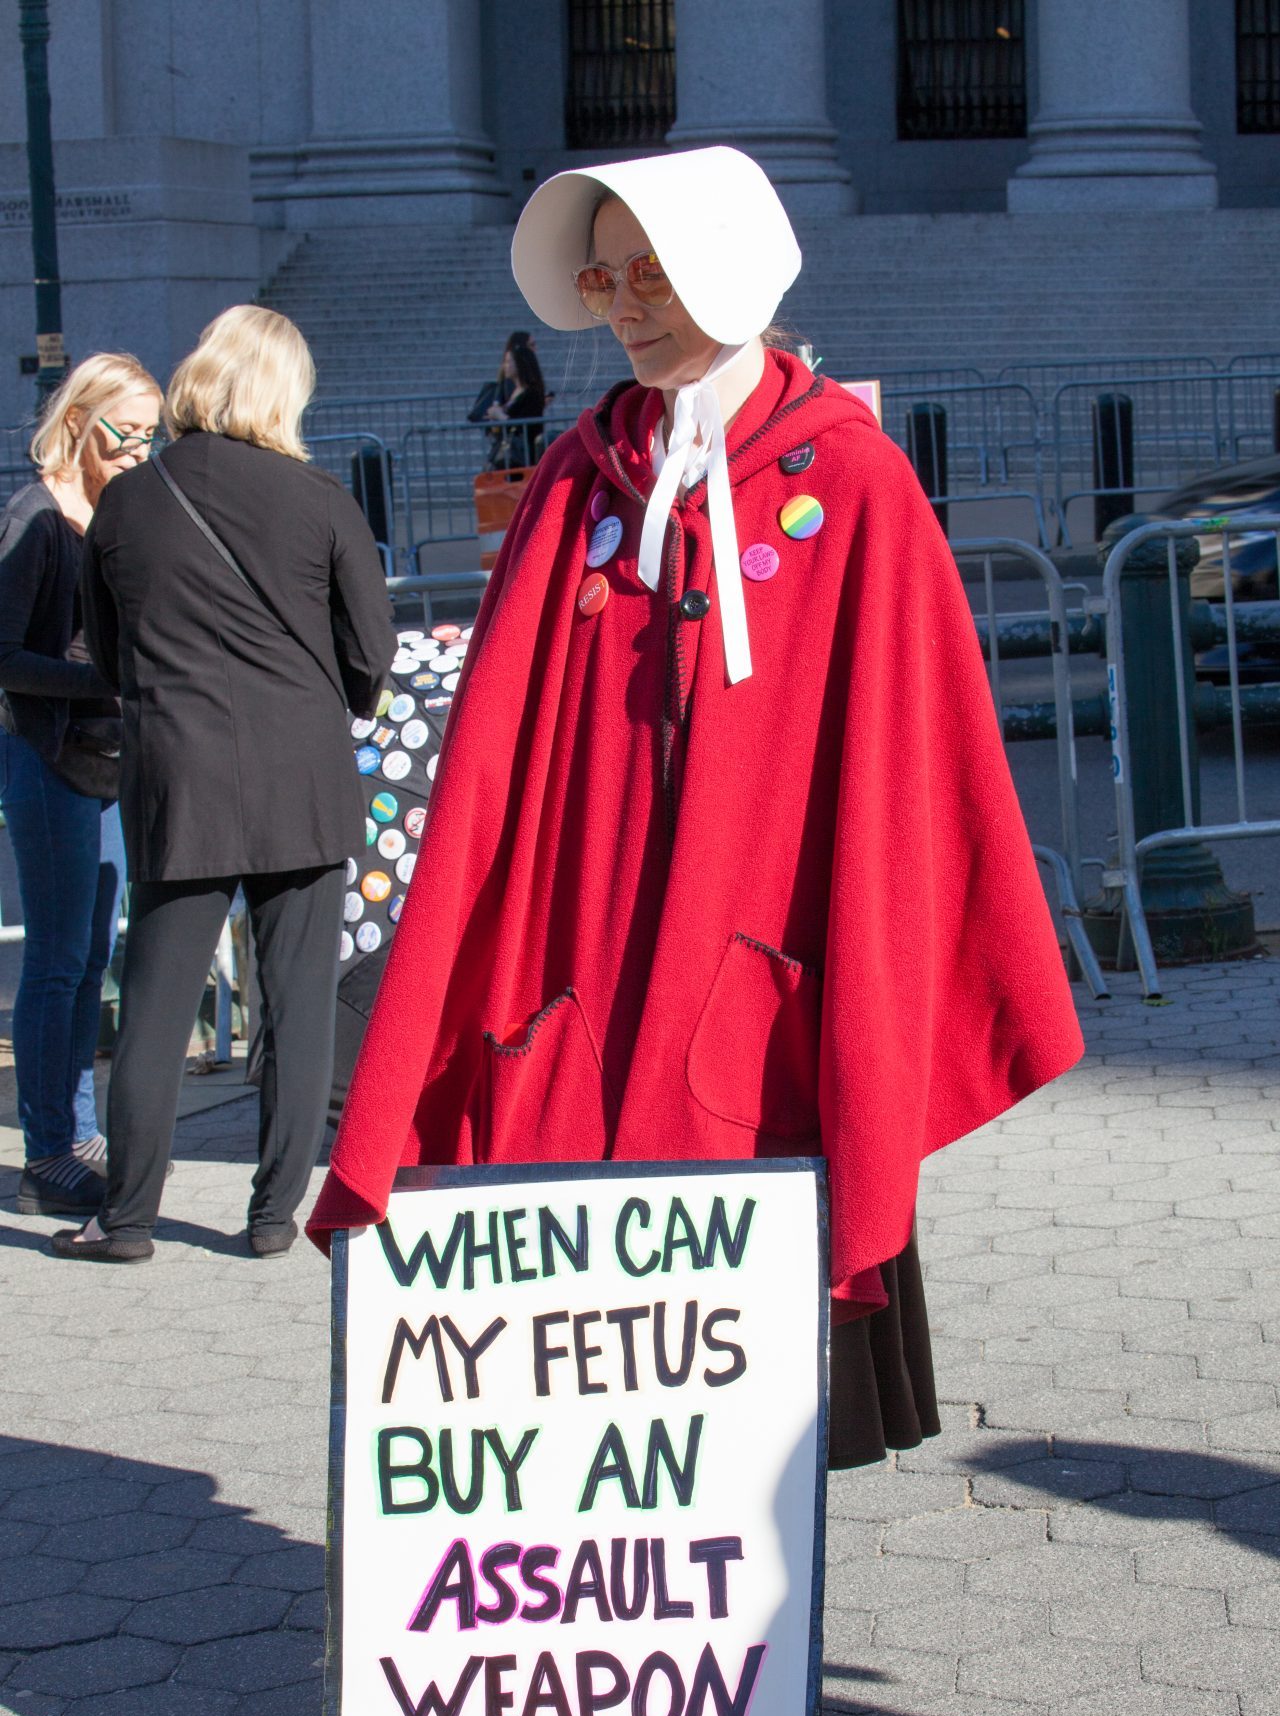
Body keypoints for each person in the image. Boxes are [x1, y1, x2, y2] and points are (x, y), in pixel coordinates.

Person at [306, 147, 1084, 1466]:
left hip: (763, 985)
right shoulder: (574, 479)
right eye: (605, 275)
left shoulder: (853, 483)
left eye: (652, 273)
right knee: (585, 1407)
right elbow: (492, 766)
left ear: (731, 270)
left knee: (748, 1435)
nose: (622, 304)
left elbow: (910, 782)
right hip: (584, 985)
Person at [53, 305, 397, 1263]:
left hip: (179, 776)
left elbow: (111, 660)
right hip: (304, 775)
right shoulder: (322, 498)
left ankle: (125, 1220)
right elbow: (372, 662)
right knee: (297, 1002)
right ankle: (274, 1214)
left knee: (157, 1009)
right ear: (284, 394)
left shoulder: (126, 503)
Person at [0, 352, 160, 1217]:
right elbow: (3, 656)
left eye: (149, 435)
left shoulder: (112, 508)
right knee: (58, 963)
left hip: (104, 758)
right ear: (77, 422)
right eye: (124, 433)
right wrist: (101, 679)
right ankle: (46, 1149)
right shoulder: (34, 514)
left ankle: (76, 1129)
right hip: (47, 757)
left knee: (90, 957)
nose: (139, 451)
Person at [483, 340, 547, 468]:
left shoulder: (532, 392)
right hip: (506, 452)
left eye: (508, 362)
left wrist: (500, 415)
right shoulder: (513, 391)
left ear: (520, 364)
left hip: (522, 454)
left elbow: (528, 424)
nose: (504, 366)